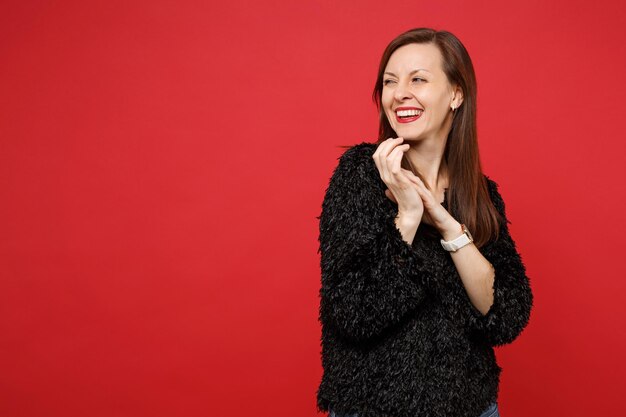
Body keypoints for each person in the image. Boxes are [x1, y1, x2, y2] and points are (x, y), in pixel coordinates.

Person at [315, 28, 534, 417]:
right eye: (389, 81)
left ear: (456, 94)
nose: (399, 93)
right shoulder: (360, 176)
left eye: (418, 79)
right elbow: (353, 312)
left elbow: (505, 316)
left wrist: (451, 229)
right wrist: (409, 215)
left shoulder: (481, 196)